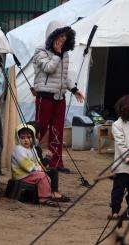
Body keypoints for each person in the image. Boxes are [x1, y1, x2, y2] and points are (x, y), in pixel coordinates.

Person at [32, 21, 84, 173]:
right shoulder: (40, 51)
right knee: (40, 128)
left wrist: (74, 89)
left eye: (65, 36)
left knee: (58, 130)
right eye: (60, 36)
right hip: (45, 95)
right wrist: (56, 54)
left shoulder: (65, 53)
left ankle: (56, 162)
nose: (62, 39)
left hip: (60, 96)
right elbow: (49, 68)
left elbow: (64, 76)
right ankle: (32, 159)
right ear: (52, 35)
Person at [11, 124, 67, 206]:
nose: (26, 140)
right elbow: (27, 166)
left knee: (52, 172)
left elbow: (38, 161)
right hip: (22, 175)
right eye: (22, 138)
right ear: (18, 138)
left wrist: (42, 167)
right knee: (43, 176)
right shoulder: (18, 150)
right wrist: (40, 169)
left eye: (28, 137)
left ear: (33, 138)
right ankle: (43, 198)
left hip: (32, 173)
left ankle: (54, 192)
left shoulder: (32, 148)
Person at [26, 121, 70, 202]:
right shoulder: (35, 148)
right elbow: (41, 165)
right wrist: (48, 158)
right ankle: (54, 192)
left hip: (28, 170)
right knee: (53, 171)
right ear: (37, 135)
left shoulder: (24, 147)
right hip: (32, 172)